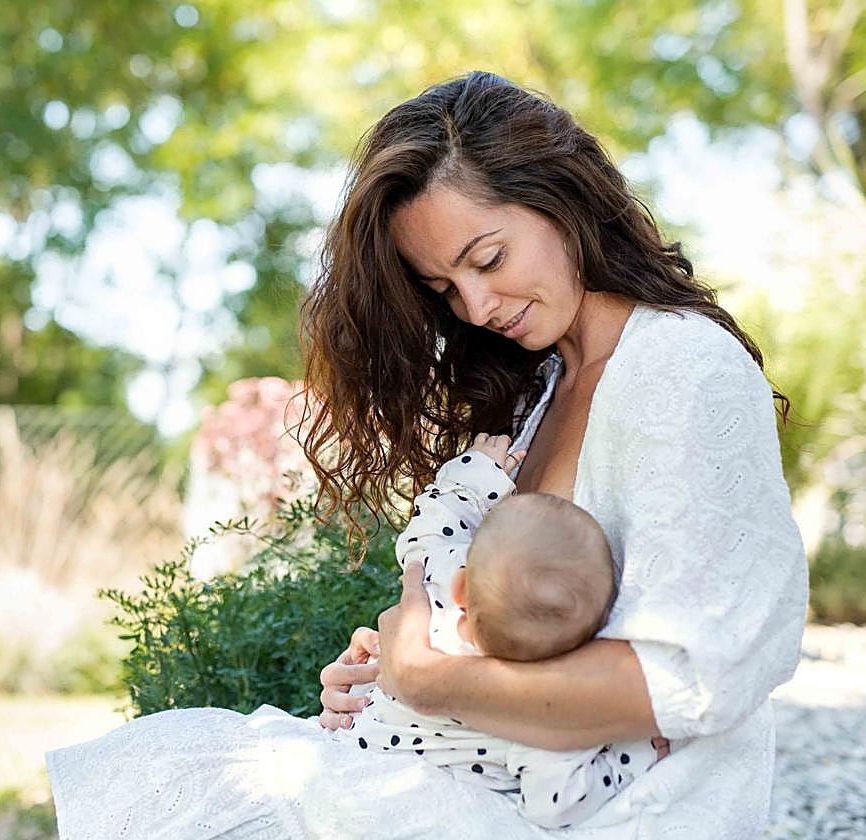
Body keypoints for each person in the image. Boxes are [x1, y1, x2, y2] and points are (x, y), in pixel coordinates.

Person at [45, 71, 808, 838]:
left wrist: (432, 679)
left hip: (619, 814)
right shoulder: (541, 390)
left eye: (489, 257)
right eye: (443, 287)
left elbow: (699, 674)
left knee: (219, 782)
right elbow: (498, 621)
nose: (475, 309)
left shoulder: (681, 368)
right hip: (506, 781)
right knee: (188, 767)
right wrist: (388, 685)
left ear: (563, 200)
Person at [332, 430, 660, 830]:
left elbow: (429, 531)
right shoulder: (538, 715)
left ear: (461, 585)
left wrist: (478, 472)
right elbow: (556, 803)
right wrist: (634, 756)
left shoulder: (443, 577)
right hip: (419, 807)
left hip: (354, 748)